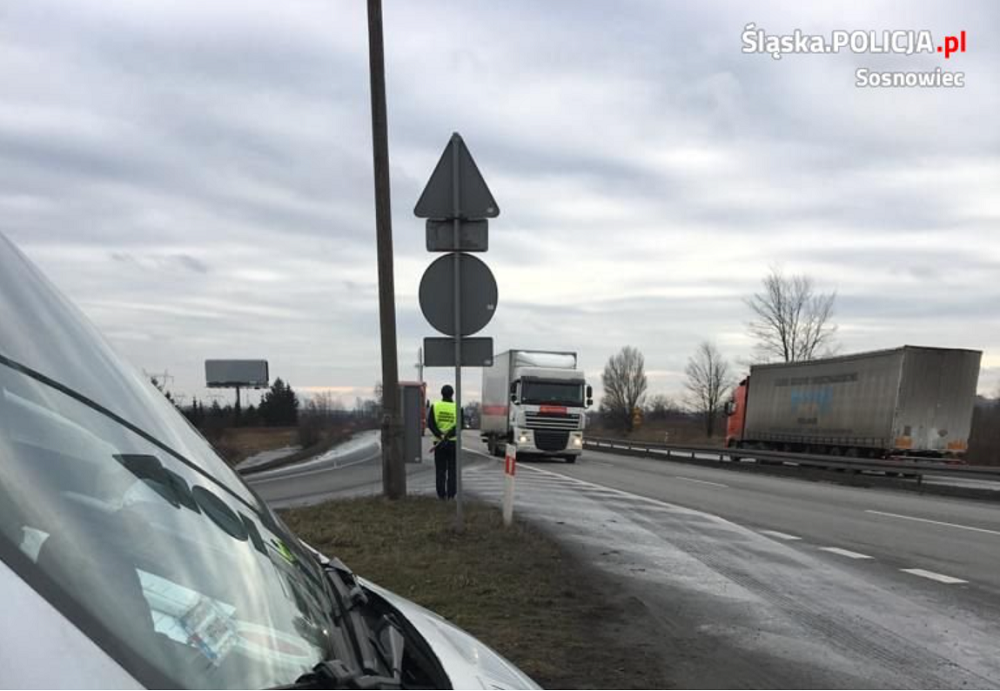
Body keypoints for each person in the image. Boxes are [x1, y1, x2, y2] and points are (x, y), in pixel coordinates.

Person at [427, 384, 458, 500]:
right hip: (452, 443)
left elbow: (430, 424)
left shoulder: (435, 406)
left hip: (439, 444)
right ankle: (451, 495)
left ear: (442, 394)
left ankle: (441, 495)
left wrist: (440, 434)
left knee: (440, 470)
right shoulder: (457, 407)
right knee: (452, 470)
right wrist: (449, 435)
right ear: (452, 394)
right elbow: (459, 426)